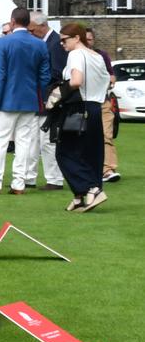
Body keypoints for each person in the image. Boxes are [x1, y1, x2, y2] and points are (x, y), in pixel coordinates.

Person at [0, 7, 50, 196]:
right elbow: (45, 77)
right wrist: (39, 97)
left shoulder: (3, 42)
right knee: (24, 143)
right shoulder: (40, 44)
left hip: (8, 101)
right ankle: (19, 184)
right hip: (30, 101)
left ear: (13, 21)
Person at [54, 24, 108, 212]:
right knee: (89, 153)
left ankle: (92, 188)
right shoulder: (98, 56)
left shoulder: (76, 54)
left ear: (77, 38)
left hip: (79, 106)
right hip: (94, 107)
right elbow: (107, 81)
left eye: (64, 39)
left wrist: (55, 96)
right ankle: (80, 196)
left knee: (64, 152)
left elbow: (76, 81)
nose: (62, 44)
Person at [27, 12, 66, 191]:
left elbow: (57, 73)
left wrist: (34, 77)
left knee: (47, 141)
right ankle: (29, 177)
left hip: (49, 99)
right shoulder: (45, 42)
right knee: (33, 140)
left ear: (42, 26)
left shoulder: (56, 44)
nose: (31, 33)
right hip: (38, 98)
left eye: (33, 30)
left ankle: (55, 179)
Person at [84, 28, 120, 183]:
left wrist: (106, 82)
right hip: (82, 103)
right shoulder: (74, 56)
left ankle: (108, 169)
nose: (87, 42)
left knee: (106, 135)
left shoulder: (101, 55)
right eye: (84, 39)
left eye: (90, 39)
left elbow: (112, 77)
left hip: (102, 102)